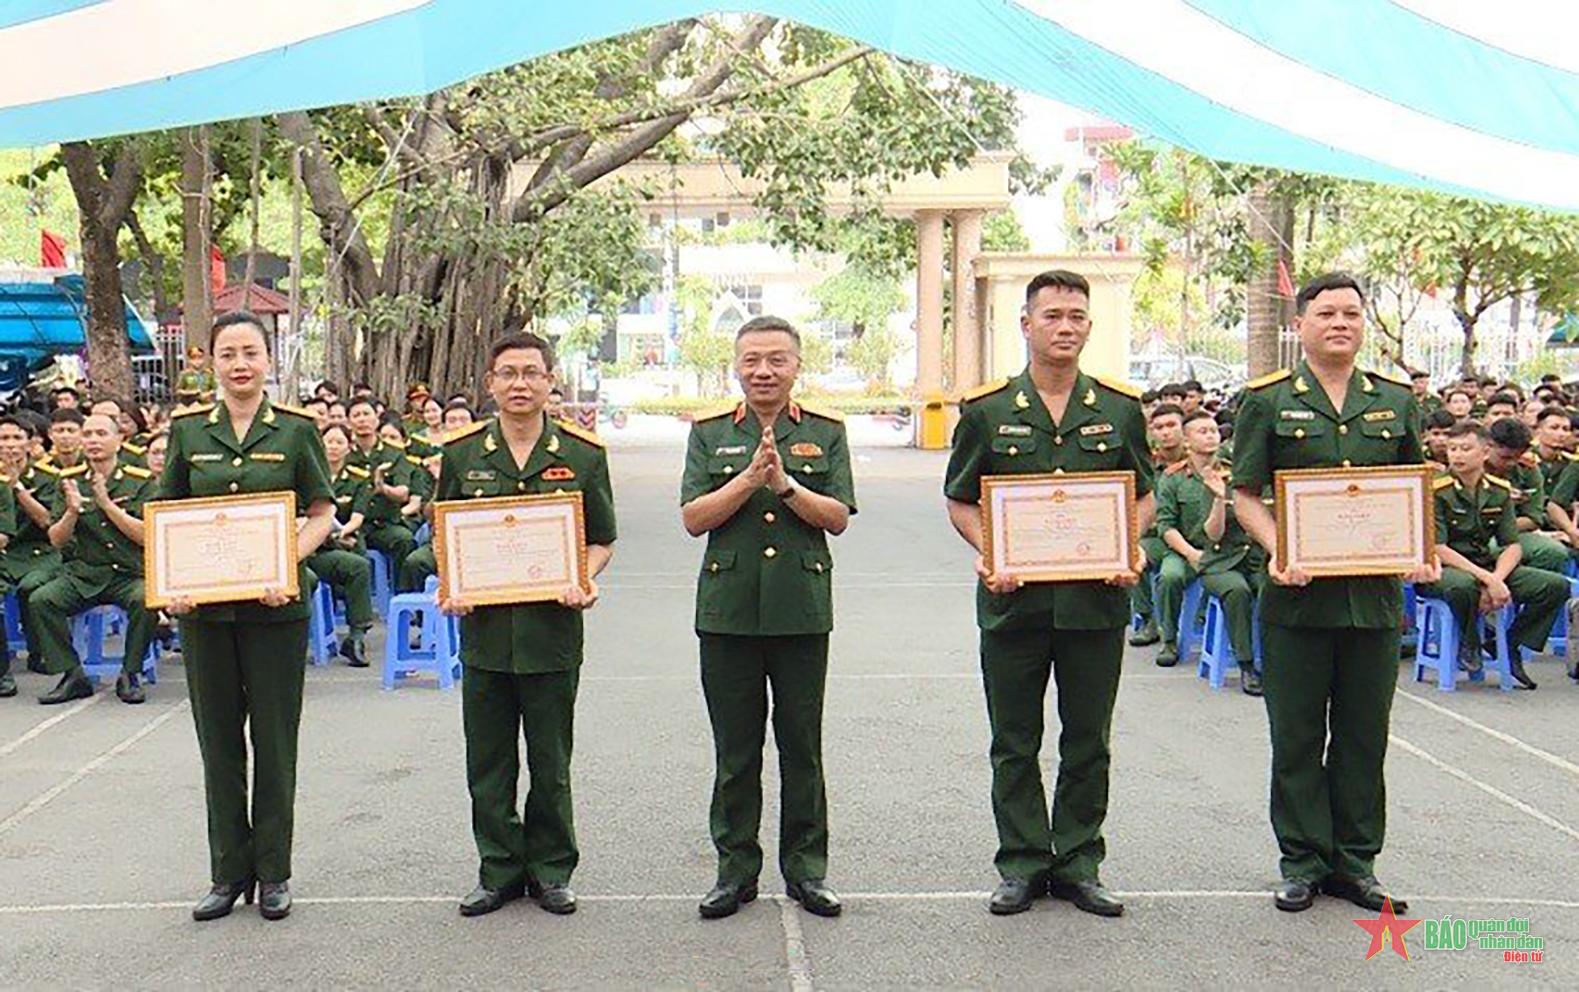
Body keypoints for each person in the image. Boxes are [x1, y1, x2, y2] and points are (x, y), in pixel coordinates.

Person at [944, 270, 1151, 918]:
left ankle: (1080, 862)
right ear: (1026, 324)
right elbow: (958, 500)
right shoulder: (986, 411)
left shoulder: (1119, 408)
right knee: (1014, 740)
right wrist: (990, 553)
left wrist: (1129, 544)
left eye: (1076, 316)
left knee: (1087, 740)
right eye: (1052, 315)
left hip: (1094, 604)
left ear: (1088, 327)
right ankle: (1022, 863)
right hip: (1014, 603)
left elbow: (1141, 496)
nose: (1065, 326)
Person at [1231, 272, 1436, 915]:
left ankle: (1356, 863)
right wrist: (1278, 549)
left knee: (1362, 736)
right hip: (1297, 599)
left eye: (1351, 312)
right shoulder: (1266, 401)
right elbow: (1246, 495)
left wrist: (1420, 551)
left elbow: (1413, 491)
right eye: (1326, 313)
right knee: (1295, 736)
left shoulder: (1396, 401)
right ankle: (1301, 861)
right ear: (1301, 325)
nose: (1340, 322)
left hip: (1372, 602)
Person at [159, 311, 335, 923]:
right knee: (219, 747)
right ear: (210, 361)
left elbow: (321, 513)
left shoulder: (295, 430)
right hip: (205, 617)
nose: (240, 364)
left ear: (269, 360)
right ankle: (227, 873)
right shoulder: (187, 433)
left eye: (251, 352)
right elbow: (167, 518)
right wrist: (170, 586)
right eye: (228, 353)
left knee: (275, 742)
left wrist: (286, 560)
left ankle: (275, 872)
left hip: (275, 612)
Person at [679, 315, 855, 922]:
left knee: (803, 748)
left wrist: (784, 486)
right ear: (736, 366)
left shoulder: (826, 434)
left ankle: (808, 871)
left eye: (776, 359)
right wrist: (748, 479)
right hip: (727, 613)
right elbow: (694, 517)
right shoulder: (708, 435)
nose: (764, 371)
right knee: (736, 751)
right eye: (752, 359)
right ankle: (735, 871)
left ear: (796, 366)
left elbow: (836, 516)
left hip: (801, 612)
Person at [436, 329, 616, 919]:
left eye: (531, 373)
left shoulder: (583, 455)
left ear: (549, 381)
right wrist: (452, 583)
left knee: (550, 762)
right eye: (508, 373)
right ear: (490, 383)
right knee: (487, 764)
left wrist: (583, 580)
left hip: (552, 633)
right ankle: (498, 871)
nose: (520, 384)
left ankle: (551, 870)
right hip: (486, 636)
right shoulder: (461, 455)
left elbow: (600, 540)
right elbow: (448, 536)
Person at [1417, 422, 1566, 689]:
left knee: (1554, 586)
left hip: (1484, 565)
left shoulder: (1498, 491)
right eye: (1452, 449)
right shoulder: (1436, 490)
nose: (1457, 455)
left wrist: (1497, 579)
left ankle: (1509, 644)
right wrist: (1488, 579)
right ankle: (1469, 642)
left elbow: (1512, 544)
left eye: (1465, 449)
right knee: (1462, 586)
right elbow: (1439, 548)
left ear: (1485, 452)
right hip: (1444, 569)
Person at [30, 413, 155, 705]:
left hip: (128, 572)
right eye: (88, 435)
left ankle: (130, 672)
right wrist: (72, 511)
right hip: (85, 573)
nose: (94, 441)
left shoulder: (140, 481)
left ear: (120, 439)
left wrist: (107, 505)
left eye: (102, 434)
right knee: (42, 600)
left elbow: (146, 536)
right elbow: (56, 540)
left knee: (146, 599)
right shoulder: (70, 481)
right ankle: (72, 673)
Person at [1153, 410, 1265, 693]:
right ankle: (1172, 639)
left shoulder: (1235, 471)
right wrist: (1191, 553)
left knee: (1273, 588)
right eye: (1202, 431)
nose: (1211, 435)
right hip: (1200, 553)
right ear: (1187, 441)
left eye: (1214, 430)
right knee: (1171, 576)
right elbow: (1165, 526)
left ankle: (1278, 659)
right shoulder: (1173, 477)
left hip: (1244, 554)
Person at [304, 424, 375, 666]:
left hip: (326, 548)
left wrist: (334, 534)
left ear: (349, 447)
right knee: (307, 578)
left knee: (357, 565)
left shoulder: (356, 479)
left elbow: (356, 518)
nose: (332, 447)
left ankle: (355, 638)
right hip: (300, 550)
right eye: (328, 442)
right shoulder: (305, 477)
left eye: (338, 442)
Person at [1129, 402, 1186, 647]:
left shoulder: (1199, 464)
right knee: (1132, 555)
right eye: (1158, 427)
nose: (1165, 432)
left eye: (1172, 425)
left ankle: (1170, 633)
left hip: (1187, 540)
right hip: (1154, 538)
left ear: (1185, 429)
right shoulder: (1146, 465)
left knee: (1169, 576)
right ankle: (1149, 618)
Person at [347, 398, 418, 589]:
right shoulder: (342, 453)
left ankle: (402, 594)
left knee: (404, 540)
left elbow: (403, 493)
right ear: (349, 422)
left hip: (383, 525)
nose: (362, 420)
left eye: (366, 414)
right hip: (353, 525)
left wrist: (383, 488)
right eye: (356, 415)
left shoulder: (394, 453)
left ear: (377, 419)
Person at [1484, 417, 1569, 574]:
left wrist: (1502, 528)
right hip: (1471, 536)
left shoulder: (1527, 469)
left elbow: (1534, 518)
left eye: (1517, 457)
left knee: (1553, 551)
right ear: (1487, 447)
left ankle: (1519, 584)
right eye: (1505, 457)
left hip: (1511, 533)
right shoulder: (1471, 467)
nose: (1511, 463)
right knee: (1488, 550)